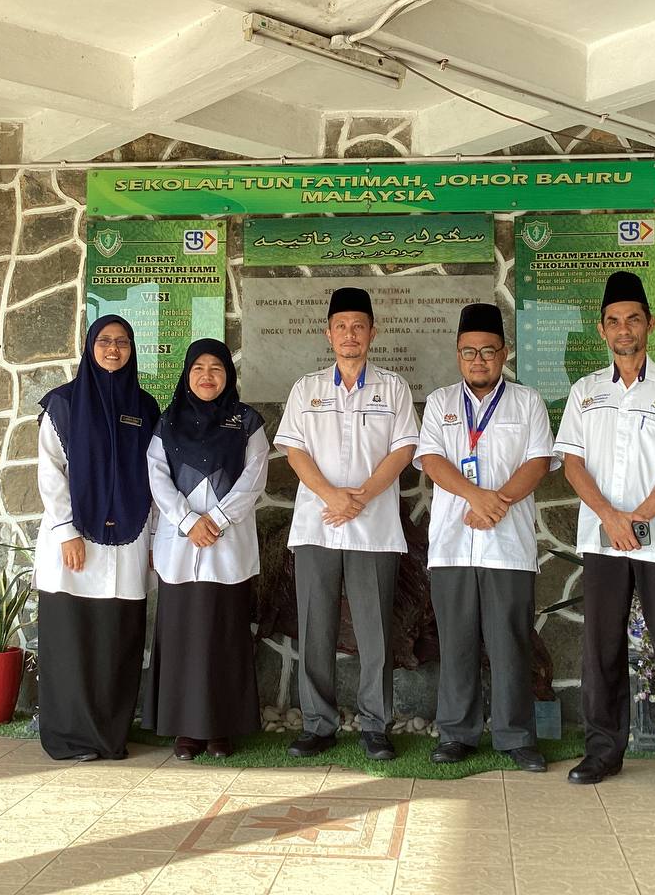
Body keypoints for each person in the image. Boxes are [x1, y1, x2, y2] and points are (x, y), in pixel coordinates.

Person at [554, 271, 655, 796]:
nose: (624, 329)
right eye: (614, 321)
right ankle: (603, 750)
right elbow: (572, 463)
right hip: (602, 537)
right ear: (602, 329)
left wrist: (636, 519)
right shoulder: (585, 392)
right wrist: (611, 516)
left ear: (650, 325)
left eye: (633, 319)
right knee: (600, 645)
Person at [273, 286, 419, 761]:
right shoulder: (307, 388)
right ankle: (318, 724)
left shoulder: (393, 388)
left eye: (358, 326)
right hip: (318, 523)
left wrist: (362, 497)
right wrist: (333, 495)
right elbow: (295, 450)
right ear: (328, 333)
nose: (350, 334)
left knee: (375, 630)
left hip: (373, 527)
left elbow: (404, 449)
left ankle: (376, 725)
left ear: (373, 332)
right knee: (315, 625)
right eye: (341, 326)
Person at [414, 303, 558, 773]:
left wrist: (498, 502)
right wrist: (476, 497)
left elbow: (538, 462)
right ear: (458, 354)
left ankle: (516, 736)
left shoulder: (527, 401)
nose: (479, 360)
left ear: (504, 352)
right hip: (453, 542)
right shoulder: (440, 403)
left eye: (488, 351)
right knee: (456, 642)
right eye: (469, 352)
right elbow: (432, 460)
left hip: (508, 543)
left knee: (510, 643)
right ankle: (457, 734)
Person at [34, 314, 160, 761]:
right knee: (73, 641)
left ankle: (110, 735)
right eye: (104, 340)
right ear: (90, 347)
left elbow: (156, 478)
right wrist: (67, 531)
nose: (113, 349)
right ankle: (69, 737)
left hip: (129, 539)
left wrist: (154, 540)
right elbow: (50, 472)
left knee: (116, 642)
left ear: (132, 350)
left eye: (122, 341)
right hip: (74, 544)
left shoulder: (146, 408)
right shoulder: (63, 405)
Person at [141, 338, 268, 760]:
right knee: (181, 637)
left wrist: (217, 520)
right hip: (181, 545)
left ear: (228, 375)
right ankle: (185, 730)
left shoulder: (247, 421)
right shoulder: (167, 422)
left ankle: (220, 728)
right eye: (198, 368)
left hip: (226, 543)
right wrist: (188, 521)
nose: (207, 375)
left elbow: (254, 477)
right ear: (187, 374)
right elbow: (157, 477)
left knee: (223, 637)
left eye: (216, 368)